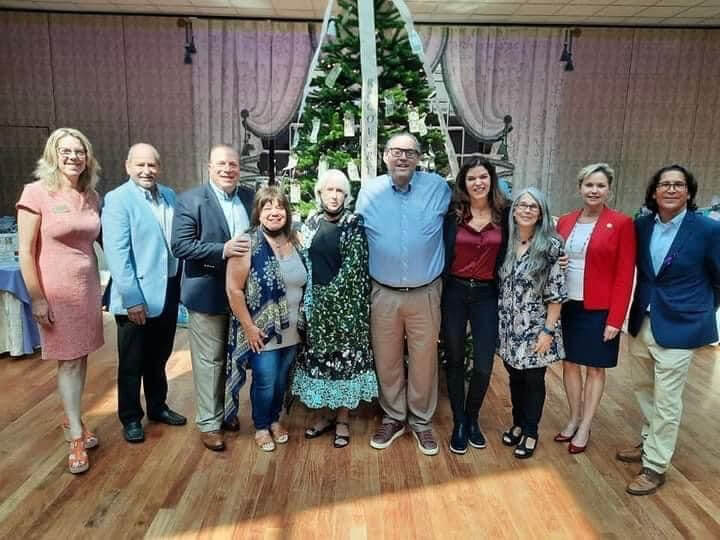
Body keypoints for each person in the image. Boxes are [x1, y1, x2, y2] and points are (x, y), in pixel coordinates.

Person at [617, 164, 720, 495]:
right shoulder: (642, 225)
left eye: (679, 185)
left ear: (689, 192)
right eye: (665, 185)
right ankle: (649, 442)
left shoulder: (706, 229)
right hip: (643, 319)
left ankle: (656, 465)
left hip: (681, 325)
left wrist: (702, 310)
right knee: (643, 387)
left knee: (667, 400)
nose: (672, 190)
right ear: (654, 192)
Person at [356, 133, 451, 456]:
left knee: (425, 359)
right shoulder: (369, 191)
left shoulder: (438, 187)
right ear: (385, 156)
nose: (402, 158)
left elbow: (476, 209)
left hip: (426, 293)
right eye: (396, 152)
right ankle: (394, 416)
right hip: (383, 292)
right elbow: (353, 233)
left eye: (410, 153)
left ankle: (422, 421)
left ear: (418, 158)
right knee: (387, 359)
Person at [16, 128, 104, 474]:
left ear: (88, 157)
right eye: (65, 151)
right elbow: (25, 252)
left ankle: (73, 420)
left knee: (79, 358)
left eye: (79, 151)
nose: (73, 157)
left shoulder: (91, 195)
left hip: (86, 289)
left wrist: (99, 290)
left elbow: (91, 247)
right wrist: (37, 298)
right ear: (52, 155)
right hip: (55, 290)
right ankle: (76, 437)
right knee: (67, 361)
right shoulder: (36, 193)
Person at [102, 143, 186, 444]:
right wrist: (132, 298)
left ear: (159, 167)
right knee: (132, 361)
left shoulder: (169, 195)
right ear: (128, 166)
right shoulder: (117, 200)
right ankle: (130, 418)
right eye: (140, 165)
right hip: (135, 296)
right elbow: (117, 254)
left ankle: (158, 406)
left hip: (168, 289)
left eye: (152, 165)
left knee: (159, 356)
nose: (147, 171)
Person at [171, 145, 253, 452]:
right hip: (207, 292)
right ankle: (209, 423)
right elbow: (180, 246)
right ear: (209, 167)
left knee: (234, 359)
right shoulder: (190, 200)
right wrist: (222, 249)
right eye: (221, 164)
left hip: (245, 294)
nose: (228, 169)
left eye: (232, 164)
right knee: (209, 361)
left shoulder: (248, 197)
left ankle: (227, 411)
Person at [291, 170, 378, 448]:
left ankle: (342, 419)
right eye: (328, 190)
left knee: (344, 364)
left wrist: (329, 298)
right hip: (315, 309)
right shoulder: (311, 223)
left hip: (346, 313)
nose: (334, 195)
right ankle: (325, 415)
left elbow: (354, 269)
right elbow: (302, 261)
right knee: (320, 363)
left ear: (346, 195)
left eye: (339, 191)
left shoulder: (354, 223)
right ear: (319, 194)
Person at [555, 164, 635, 454]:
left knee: (596, 369)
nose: (594, 190)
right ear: (580, 188)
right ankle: (573, 416)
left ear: (608, 190)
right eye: (589, 185)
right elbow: (554, 256)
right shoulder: (564, 221)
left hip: (599, 308)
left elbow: (625, 274)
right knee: (569, 364)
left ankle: (586, 425)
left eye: (600, 186)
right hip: (567, 305)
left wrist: (616, 319)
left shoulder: (622, 223)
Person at [225, 186, 308, 452]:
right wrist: (249, 327)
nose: (275, 212)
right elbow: (233, 289)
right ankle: (261, 426)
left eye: (279, 206)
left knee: (282, 380)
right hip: (262, 329)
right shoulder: (246, 243)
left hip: (294, 327)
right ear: (258, 213)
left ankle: (274, 420)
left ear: (287, 211)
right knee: (265, 380)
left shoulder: (295, 240)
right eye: (267, 207)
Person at [441, 157, 509, 454]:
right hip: (454, 291)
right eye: (471, 178)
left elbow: (534, 234)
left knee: (483, 364)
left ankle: (472, 418)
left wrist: (556, 255)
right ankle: (458, 421)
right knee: (455, 358)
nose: (478, 183)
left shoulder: (504, 215)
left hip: (487, 294)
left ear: (491, 180)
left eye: (483, 177)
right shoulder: (452, 215)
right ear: (464, 183)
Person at [497, 187, 567, 459]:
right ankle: (517, 422)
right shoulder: (506, 242)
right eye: (521, 205)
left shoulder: (551, 246)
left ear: (541, 214)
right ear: (513, 211)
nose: (526, 210)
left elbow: (557, 293)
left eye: (533, 207)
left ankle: (530, 431)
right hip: (508, 326)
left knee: (534, 379)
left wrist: (548, 330)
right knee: (514, 375)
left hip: (536, 325)